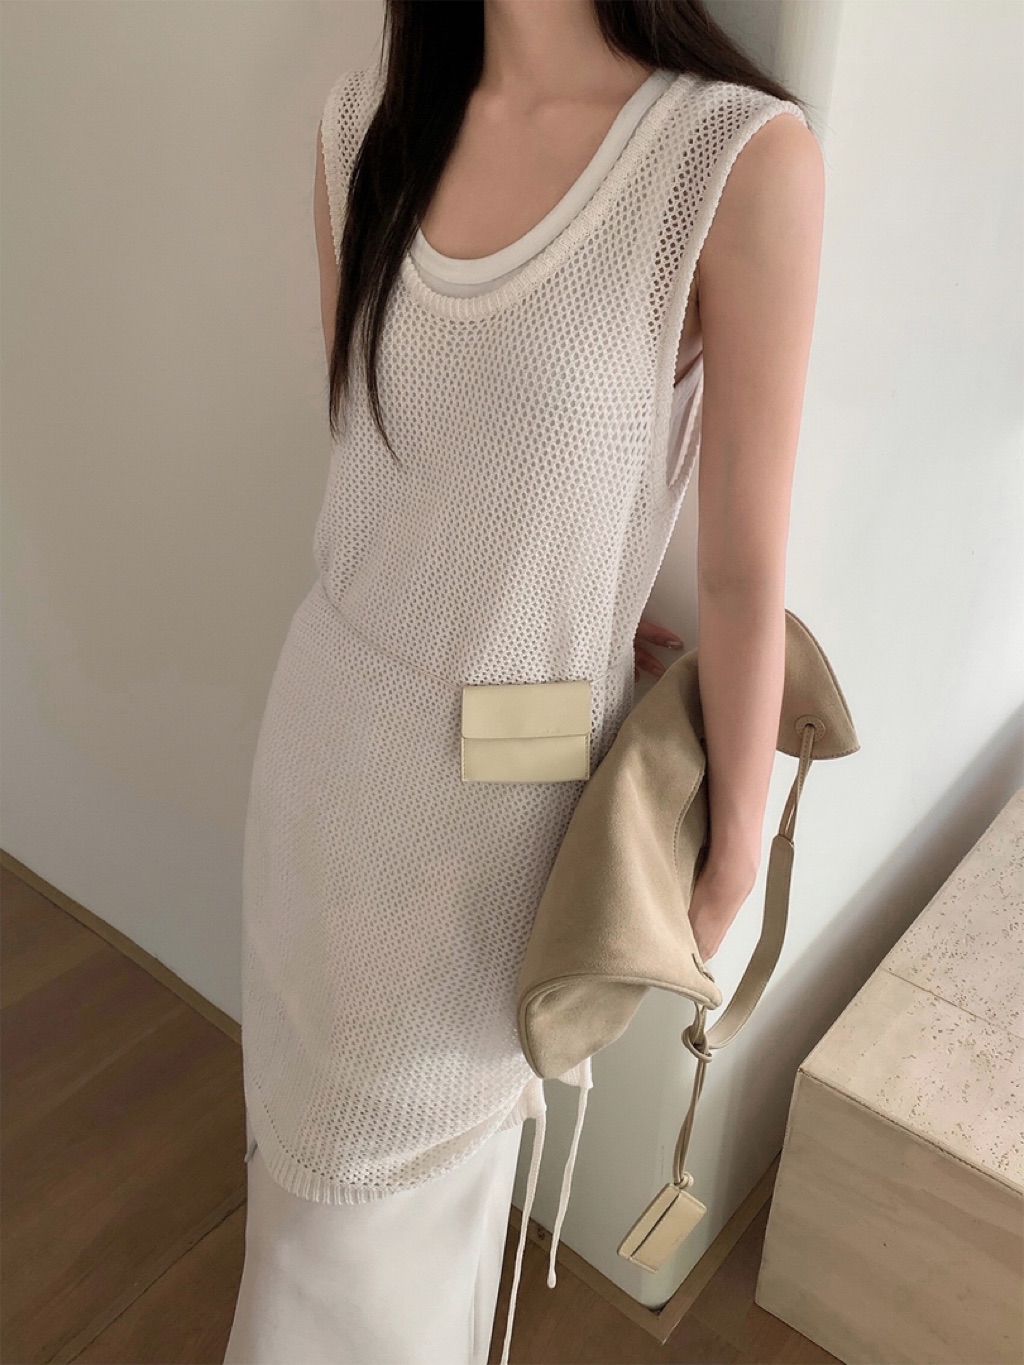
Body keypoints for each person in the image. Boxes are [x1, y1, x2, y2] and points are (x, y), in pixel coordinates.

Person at [223, 1, 824, 1361]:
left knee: (381, 1232)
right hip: (322, 753)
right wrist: (551, 579)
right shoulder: (364, 124)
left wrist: (731, 852)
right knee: (307, 1209)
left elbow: (742, 569)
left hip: (494, 820)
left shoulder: (731, 161)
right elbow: (389, 470)